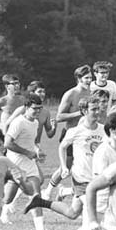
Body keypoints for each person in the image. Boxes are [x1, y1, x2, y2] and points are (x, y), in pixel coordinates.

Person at [24, 96, 104, 230]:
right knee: (92, 212)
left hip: (97, 177)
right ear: (84, 111)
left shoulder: (103, 129)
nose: (97, 112)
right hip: (81, 178)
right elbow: (62, 147)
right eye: (93, 109)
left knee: (73, 213)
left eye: (98, 108)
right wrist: (64, 166)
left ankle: (40, 201)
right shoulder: (76, 131)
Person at [4, 93, 54, 230]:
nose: (38, 112)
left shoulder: (35, 123)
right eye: (34, 109)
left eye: (40, 108)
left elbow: (31, 143)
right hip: (14, 165)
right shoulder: (18, 122)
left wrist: (37, 152)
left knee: (36, 195)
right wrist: (27, 152)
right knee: (7, 199)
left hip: (29, 165)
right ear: (26, 107)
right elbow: (7, 143)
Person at [42, 65, 92, 200]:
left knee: (86, 168)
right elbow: (59, 117)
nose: (89, 81)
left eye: (90, 78)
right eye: (86, 78)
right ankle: (48, 191)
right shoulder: (71, 94)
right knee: (67, 168)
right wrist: (79, 113)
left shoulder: (92, 93)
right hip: (71, 134)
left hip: (86, 136)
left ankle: (69, 193)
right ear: (78, 78)